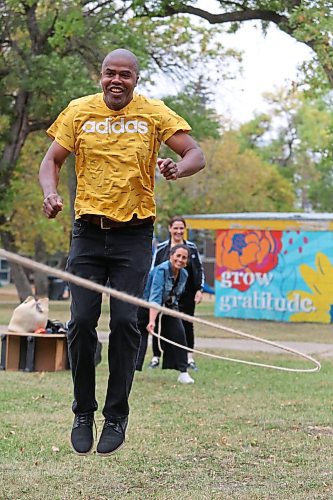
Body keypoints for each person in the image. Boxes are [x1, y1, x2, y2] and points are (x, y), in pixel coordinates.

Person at [38, 48, 205, 456]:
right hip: (88, 234)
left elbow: (194, 154)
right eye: (110, 73)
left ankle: (116, 416)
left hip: (134, 234)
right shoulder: (79, 112)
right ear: (100, 75)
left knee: (128, 322)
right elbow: (51, 161)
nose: (117, 80)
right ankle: (83, 411)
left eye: (125, 75)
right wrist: (51, 193)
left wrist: (176, 169)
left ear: (136, 79)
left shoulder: (154, 113)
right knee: (80, 322)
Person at [148, 216, 204, 371]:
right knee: (157, 321)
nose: (179, 231)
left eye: (181, 228)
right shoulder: (162, 249)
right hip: (163, 292)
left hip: (185, 293)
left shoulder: (191, 248)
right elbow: (154, 271)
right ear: (170, 228)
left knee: (186, 323)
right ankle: (156, 356)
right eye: (176, 228)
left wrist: (199, 289)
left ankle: (188, 358)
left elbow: (199, 270)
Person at [136, 244, 194, 384]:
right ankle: (131, 369)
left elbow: (174, 296)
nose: (180, 260)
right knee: (138, 336)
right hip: (144, 304)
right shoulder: (161, 270)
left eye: (184, 257)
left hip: (168, 306)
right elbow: (154, 297)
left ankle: (183, 372)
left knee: (179, 333)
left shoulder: (184, 274)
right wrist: (152, 321)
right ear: (171, 256)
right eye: (178, 256)